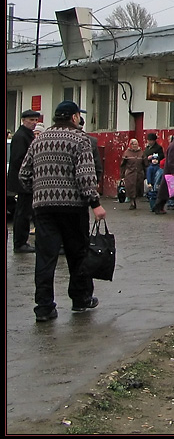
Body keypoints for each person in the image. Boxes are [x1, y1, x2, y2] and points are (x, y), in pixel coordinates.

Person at [18, 100, 106, 322]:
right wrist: (95, 203)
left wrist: (40, 192)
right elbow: (86, 176)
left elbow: (24, 175)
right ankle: (81, 298)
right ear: (74, 117)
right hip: (72, 207)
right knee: (77, 254)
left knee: (45, 258)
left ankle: (44, 307)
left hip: (44, 208)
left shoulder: (39, 141)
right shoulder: (80, 139)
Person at [8, 108, 41, 253]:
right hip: (22, 181)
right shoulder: (21, 136)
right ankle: (20, 242)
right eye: (31, 120)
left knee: (26, 211)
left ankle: (22, 241)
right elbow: (18, 159)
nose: (34, 123)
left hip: (24, 180)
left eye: (35, 120)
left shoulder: (27, 135)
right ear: (23, 120)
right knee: (22, 212)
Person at [152, 130, 174, 214]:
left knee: (166, 192)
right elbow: (171, 160)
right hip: (173, 173)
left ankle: (158, 207)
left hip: (171, 173)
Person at [119, 138, 146, 210]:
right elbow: (123, 165)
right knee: (130, 188)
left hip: (139, 173)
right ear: (130, 145)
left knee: (137, 188)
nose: (135, 146)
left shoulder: (141, 152)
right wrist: (122, 175)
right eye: (134, 144)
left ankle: (134, 200)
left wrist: (145, 174)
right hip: (130, 174)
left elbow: (145, 164)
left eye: (136, 144)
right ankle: (132, 202)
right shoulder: (127, 153)